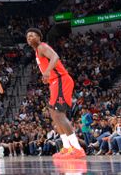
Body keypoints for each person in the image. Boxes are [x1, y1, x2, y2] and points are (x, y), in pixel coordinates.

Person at [26, 28, 85, 158]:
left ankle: (77, 148)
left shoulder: (42, 46)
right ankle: (66, 147)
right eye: (27, 36)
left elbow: (55, 57)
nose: (29, 37)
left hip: (61, 80)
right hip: (54, 82)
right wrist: (46, 74)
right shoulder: (37, 52)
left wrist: (47, 71)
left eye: (32, 35)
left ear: (39, 37)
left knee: (59, 114)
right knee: (54, 114)